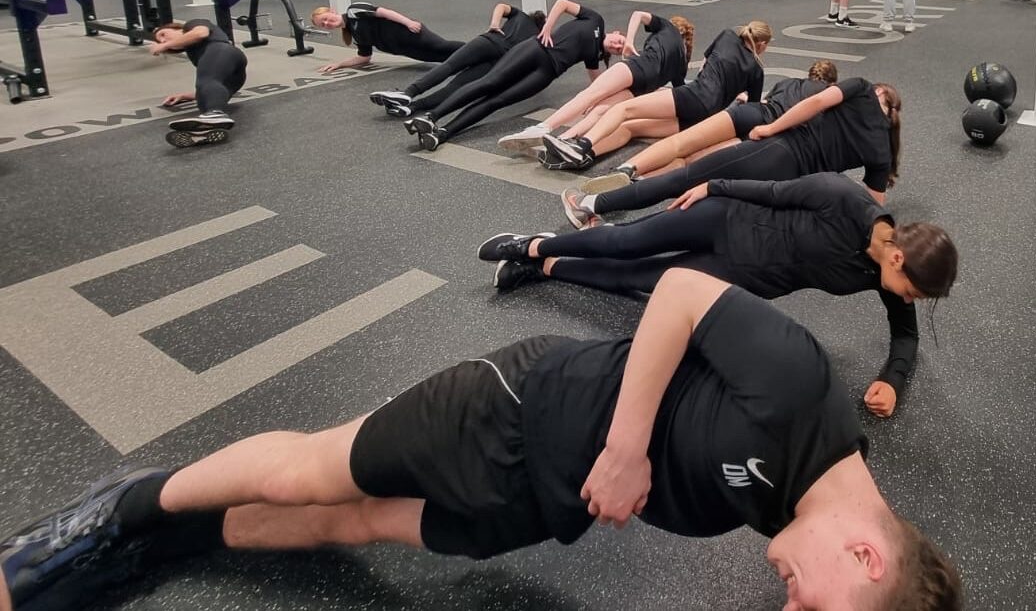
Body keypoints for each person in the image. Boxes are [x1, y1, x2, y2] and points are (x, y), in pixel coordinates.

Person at [0, 270, 964, 611]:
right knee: (308, 473)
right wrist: (628, 452)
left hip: (538, 508)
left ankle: (167, 537)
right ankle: (115, 509)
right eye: (822, 609)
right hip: (510, 409)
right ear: (866, 552)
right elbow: (676, 293)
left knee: (356, 528)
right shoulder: (801, 389)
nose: (792, 608)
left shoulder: (820, 499)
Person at [480, 173, 959, 418]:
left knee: (638, 281)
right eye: (913, 291)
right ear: (899, 257)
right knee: (625, 241)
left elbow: (905, 339)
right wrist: (712, 185)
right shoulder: (844, 200)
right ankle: (532, 243)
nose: (909, 299)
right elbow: (774, 190)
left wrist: (893, 382)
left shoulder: (886, 276)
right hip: (724, 219)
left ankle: (547, 268)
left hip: (732, 272)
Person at [555, 77, 902, 230]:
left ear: (880, 93)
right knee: (706, 211)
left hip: (778, 148)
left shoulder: (860, 89)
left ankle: (590, 206)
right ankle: (612, 227)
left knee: (683, 179)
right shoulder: (882, 151)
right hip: (788, 186)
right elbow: (871, 209)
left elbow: (814, 102)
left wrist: (770, 128)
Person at [578, 60, 839, 192]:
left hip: (751, 115)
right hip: (768, 139)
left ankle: (627, 169)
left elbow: (767, 101)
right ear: (831, 82)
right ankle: (640, 184)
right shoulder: (826, 100)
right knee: (693, 162)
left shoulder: (791, 83)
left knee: (680, 144)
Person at [540, 22, 771, 171]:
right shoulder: (757, 70)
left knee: (623, 110)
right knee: (632, 128)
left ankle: (581, 146)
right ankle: (584, 157)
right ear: (761, 45)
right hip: (704, 117)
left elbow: (705, 68)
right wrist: (740, 96)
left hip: (693, 96)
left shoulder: (727, 34)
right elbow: (750, 110)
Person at [404, 1, 625, 151]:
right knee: (488, 83)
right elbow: (562, 4)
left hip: (546, 72)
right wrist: (547, 28)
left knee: (497, 102)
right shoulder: (595, 20)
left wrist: (595, 104)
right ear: (616, 33)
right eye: (620, 41)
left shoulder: (593, 57)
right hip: (536, 49)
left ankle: (443, 133)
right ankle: (430, 117)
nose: (617, 45)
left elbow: (596, 85)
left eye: (618, 50)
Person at [497, 11, 695, 156]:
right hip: (645, 86)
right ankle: (566, 140)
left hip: (637, 66)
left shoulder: (667, 27)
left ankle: (543, 128)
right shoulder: (682, 62)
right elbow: (681, 91)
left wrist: (630, 41)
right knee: (602, 110)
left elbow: (637, 15)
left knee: (589, 96)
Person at [368, 1, 549, 119]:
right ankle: (413, 107)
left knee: (449, 66)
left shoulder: (520, 15)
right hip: (499, 62)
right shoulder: (538, 38)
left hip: (489, 41)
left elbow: (501, 6)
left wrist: (494, 24)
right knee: (456, 87)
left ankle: (407, 93)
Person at [151, 20, 247, 149]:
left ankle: (215, 114)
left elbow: (201, 33)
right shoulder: (196, 53)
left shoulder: (191, 24)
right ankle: (203, 132)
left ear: (175, 27)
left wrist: (165, 45)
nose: (163, 41)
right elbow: (214, 82)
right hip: (235, 73)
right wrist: (187, 96)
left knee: (207, 84)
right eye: (160, 42)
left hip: (222, 49)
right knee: (204, 101)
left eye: (163, 34)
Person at [311, 2, 461, 75]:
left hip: (408, 33)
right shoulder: (352, 35)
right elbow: (364, 58)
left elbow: (384, 12)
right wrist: (339, 64)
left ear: (331, 11)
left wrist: (408, 22)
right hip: (403, 49)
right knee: (440, 58)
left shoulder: (354, 10)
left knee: (442, 46)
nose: (326, 23)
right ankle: (478, 63)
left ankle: (482, 48)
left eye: (325, 18)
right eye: (322, 25)